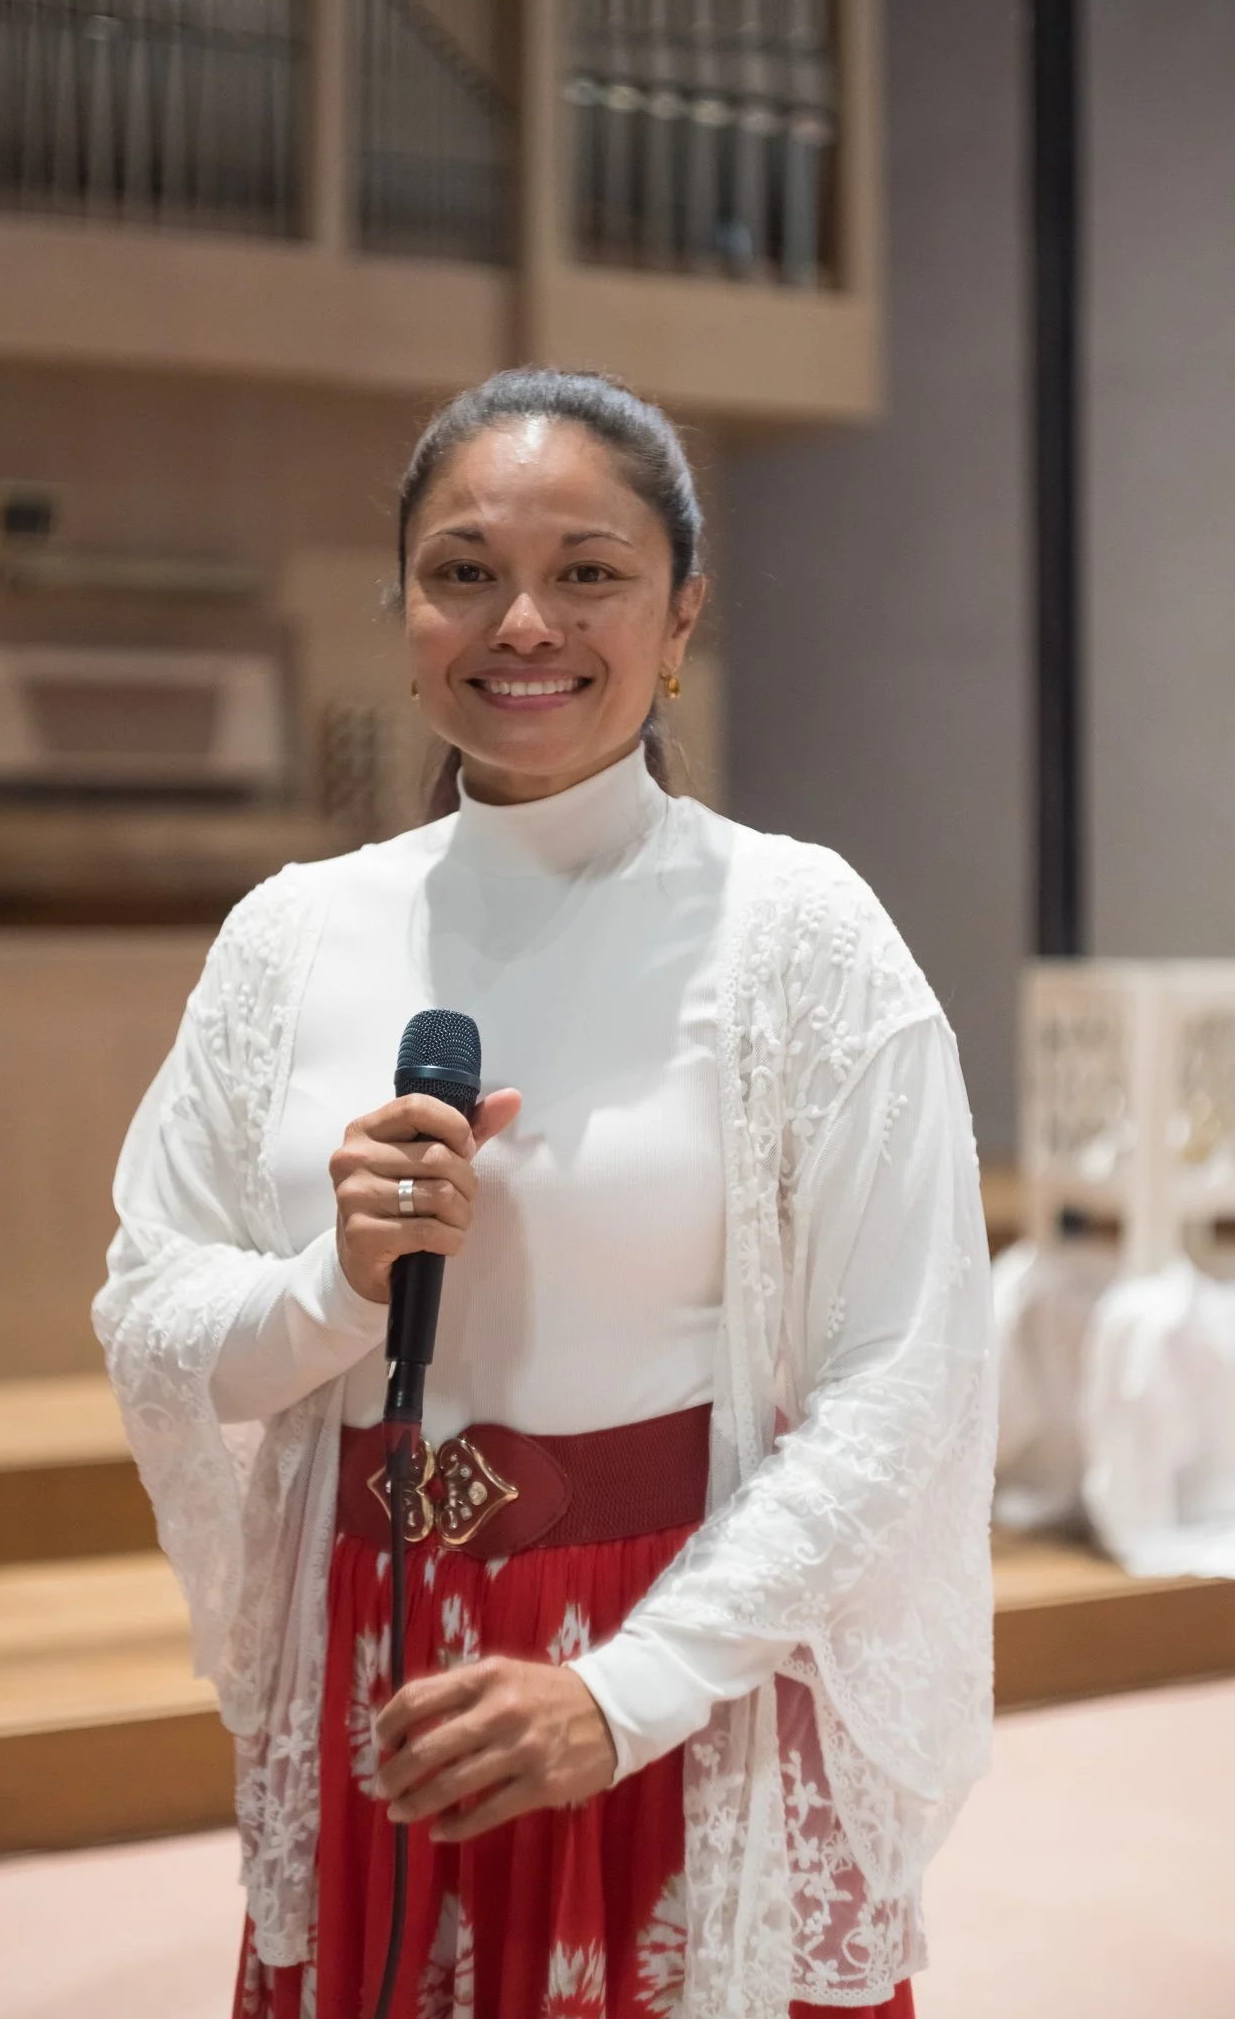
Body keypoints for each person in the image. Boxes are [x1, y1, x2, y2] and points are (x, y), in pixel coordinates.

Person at [94, 368, 996, 2019]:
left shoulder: (799, 934)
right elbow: (153, 1314)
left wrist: (624, 1693)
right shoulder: (292, 940)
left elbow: (908, 1375)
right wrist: (334, 1285)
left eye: (589, 572)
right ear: (406, 608)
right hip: (379, 1645)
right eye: (463, 572)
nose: (523, 622)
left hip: (676, 1654)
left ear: (681, 616)